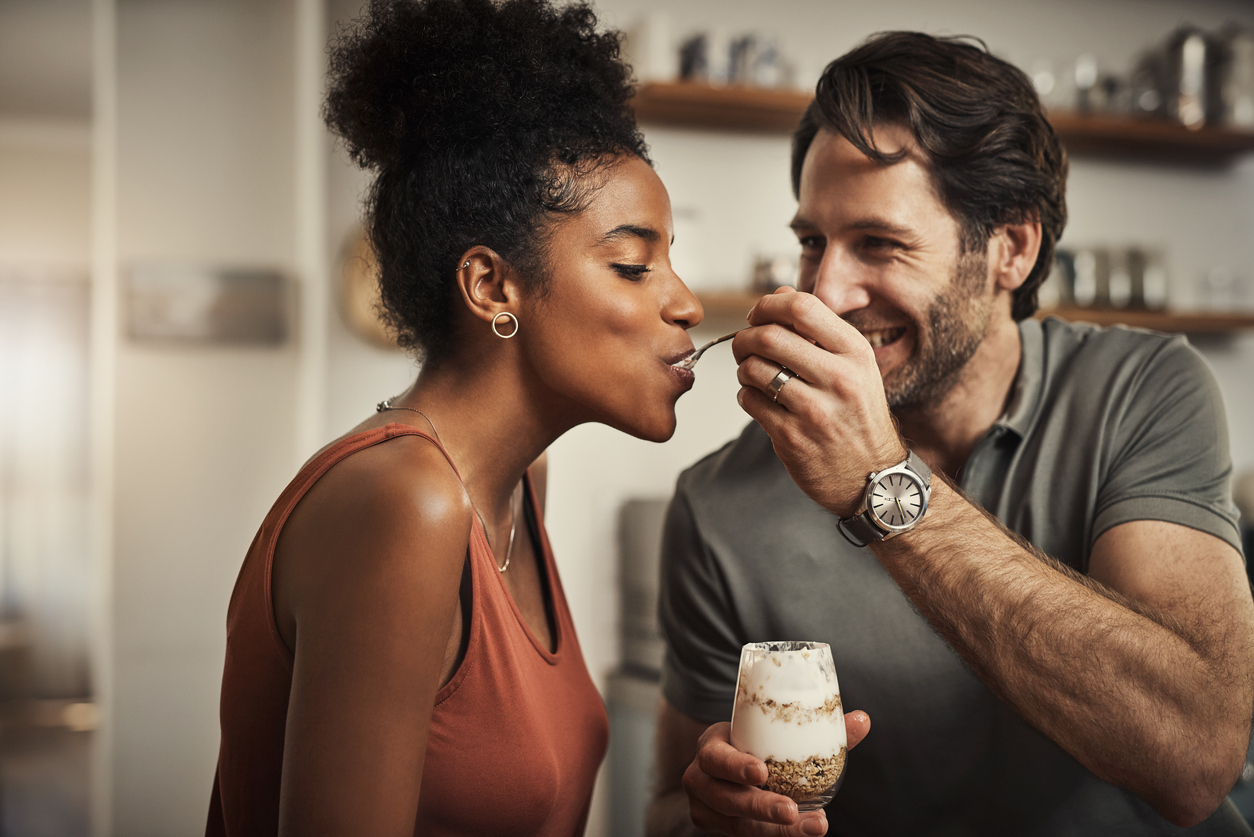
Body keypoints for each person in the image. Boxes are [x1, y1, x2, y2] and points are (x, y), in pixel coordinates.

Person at [648, 31, 1254, 837]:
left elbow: (1194, 759)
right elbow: (663, 809)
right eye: (812, 242)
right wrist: (717, 815)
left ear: (1011, 247)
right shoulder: (716, 504)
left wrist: (881, 483)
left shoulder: (1142, 390)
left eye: (880, 244)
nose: (826, 289)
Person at [206, 1, 739, 834]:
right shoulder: (405, 504)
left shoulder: (521, 480)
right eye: (633, 265)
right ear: (493, 287)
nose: (686, 302)